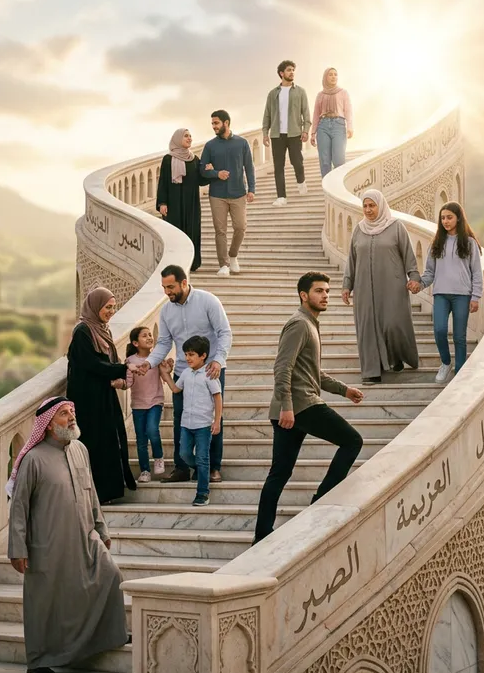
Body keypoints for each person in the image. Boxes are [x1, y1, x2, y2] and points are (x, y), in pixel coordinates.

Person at [6, 397, 129, 673]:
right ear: (48, 425)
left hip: (86, 535)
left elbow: (91, 491)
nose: (71, 417)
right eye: (63, 414)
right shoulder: (33, 459)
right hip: (48, 543)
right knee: (44, 602)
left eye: (72, 411)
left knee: (111, 575)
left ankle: (110, 635)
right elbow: (19, 506)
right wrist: (17, 548)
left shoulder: (80, 449)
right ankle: (38, 660)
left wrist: (102, 529)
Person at [254, 272, 364, 543]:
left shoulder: (310, 324)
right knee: (352, 441)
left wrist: (344, 390)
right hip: (300, 405)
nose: (325, 295)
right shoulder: (299, 324)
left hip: (295, 406)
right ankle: (321, 501)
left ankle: (261, 535)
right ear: (304, 295)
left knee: (279, 473)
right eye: (319, 291)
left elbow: (313, 372)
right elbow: (282, 367)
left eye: (327, 291)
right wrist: (287, 406)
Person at [138, 264, 232, 484]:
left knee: (211, 418)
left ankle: (212, 467)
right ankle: (182, 468)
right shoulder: (166, 311)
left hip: (211, 370)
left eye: (170, 287)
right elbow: (164, 342)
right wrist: (148, 363)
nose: (167, 292)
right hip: (182, 372)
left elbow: (224, 333)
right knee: (180, 419)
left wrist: (218, 360)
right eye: (164, 287)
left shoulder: (208, 301)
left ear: (183, 283)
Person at [66, 288, 140, 503]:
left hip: (103, 395)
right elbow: (91, 363)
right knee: (95, 444)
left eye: (113, 307)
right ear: (95, 306)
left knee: (110, 441)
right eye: (107, 307)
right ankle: (96, 494)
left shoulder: (101, 330)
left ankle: (110, 491)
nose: (111, 311)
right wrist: (122, 369)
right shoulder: (83, 331)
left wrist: (120, 373)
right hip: (88, 400)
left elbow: (106, 363)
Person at [342, 189, 421, 385]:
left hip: (392, 286)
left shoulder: (396, 227)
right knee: (367, 327)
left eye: (372, 205)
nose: (368, 210)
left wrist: (414, 277)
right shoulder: (359, 230)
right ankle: (371, 371)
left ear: (381, 205)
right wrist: (347, 285)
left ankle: (397, 356)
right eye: (365, 206)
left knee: (393, 324)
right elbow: (351, 260)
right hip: (363, 288)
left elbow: (408, 255)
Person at [413, 202, 483, 383]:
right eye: (443, 218)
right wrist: (420, 285)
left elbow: (477, 272)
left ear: (458, 218)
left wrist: (475, 296)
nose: (445, 221)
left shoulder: (469, 243)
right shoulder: (436, 244)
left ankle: (459, 373)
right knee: (439, 330)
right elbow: (429, 273)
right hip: (441, 294)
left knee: (459, 336)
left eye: (449, 217)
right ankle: (445, 363)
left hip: (462, 295)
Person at [159, 335, 223, 507]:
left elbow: (218, 398)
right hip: (186, 424)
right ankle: (203, 469)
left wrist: (217, 421)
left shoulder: (209, 374)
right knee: (184, 454)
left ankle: (202, 493)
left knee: (202, 457)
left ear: (203, 356)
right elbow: (175, 389)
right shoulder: (186, 373)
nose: (187, 358)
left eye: (191, 354)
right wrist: (165, 373)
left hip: (203, 425)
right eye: (186, 354)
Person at [199, 109, 256, 276]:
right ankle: (223, 264)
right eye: (212, 123)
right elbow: (202, 169)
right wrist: (217, 173)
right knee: (220, 230)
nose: (213, 126)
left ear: (226, 123)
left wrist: (252, 189)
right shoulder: (210, 146)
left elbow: (249, 167)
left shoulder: (242, 143)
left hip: (239, 193)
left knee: (240, 227)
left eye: (216, 123)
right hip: (217, 194)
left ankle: (233, 256)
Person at [156, 128, 208, 272]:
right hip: (174, 204)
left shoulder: (194, 159)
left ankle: (192, 263)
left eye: (190, 136)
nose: (189, 138)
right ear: (178, 139)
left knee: (192, 232)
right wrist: (162, 203)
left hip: (191, 204)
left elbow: (201, 180)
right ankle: (174, 264)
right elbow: (163, 182)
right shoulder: (168, 159)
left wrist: (210, 171)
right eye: (186, 136)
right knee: (175, 234)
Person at [262, 59, 312, 207]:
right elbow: (267, 114)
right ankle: (281, 197)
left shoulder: (300, 92)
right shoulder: (272, 94)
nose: (292, 72)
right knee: (278, 166)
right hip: (277, 135)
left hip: (294, 133)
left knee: (297, 162)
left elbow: (306, 113)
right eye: (289, 70)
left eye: (293, 70)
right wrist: (265, 133)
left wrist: (306, 130)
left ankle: (301, 181)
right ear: (281, 73)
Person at [125, 325, 166, 481]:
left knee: (152, 430)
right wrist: (118, 383)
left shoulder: (156, 358)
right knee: (141, 439)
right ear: (135, 343)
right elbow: (128, 382)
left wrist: (168, 369)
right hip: (138, 404)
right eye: (145, 335)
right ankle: (145, 471)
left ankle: (158, 457)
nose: (149, 337)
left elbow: (164, 376)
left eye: (150, 335)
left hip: (155, 401)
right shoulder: (130, 361)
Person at [311, 67, 354, 177]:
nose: (333, 76)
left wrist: (350, 127)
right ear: (325, 77)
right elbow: (316, 114)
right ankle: (326, 186)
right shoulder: (320, 95)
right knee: (325, 162)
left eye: (335, 74)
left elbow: (348, 111)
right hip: (323, 126)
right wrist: (313, 133)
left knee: (339, 160)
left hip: (338, 125)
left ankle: (338, 184)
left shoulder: (343, 92)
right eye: (330, 74)